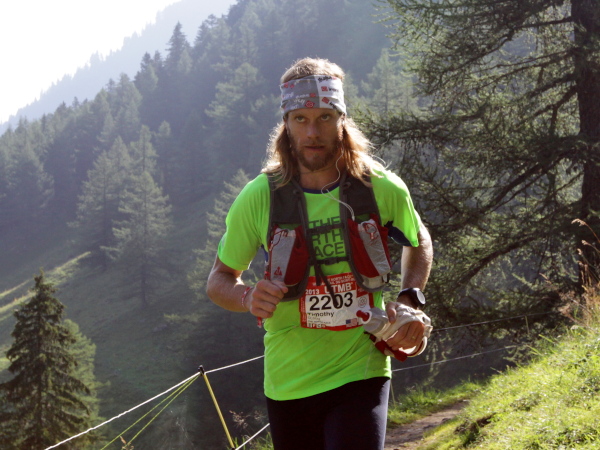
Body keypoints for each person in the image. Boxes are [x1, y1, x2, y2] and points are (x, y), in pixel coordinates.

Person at [207, 57, 433, 450]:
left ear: (342, 119)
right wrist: (247, 296)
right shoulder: (259, 197)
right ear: (286, 123)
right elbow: (219, 280)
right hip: (289, 382)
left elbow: (419, 239)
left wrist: (409, 296)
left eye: (325, 117)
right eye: (301, 119)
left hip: (361, 370)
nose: (313, 132)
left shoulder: (380, 187)